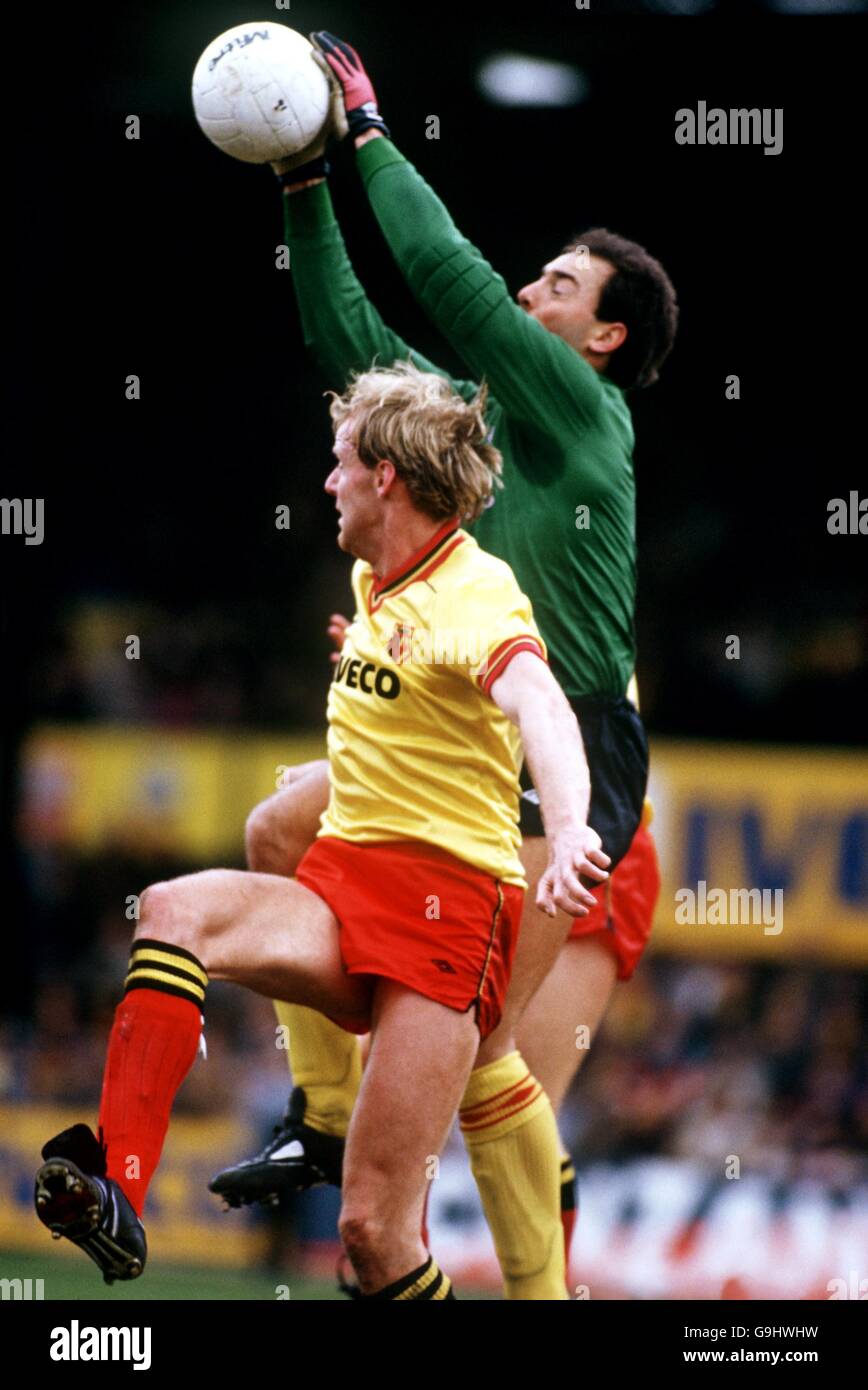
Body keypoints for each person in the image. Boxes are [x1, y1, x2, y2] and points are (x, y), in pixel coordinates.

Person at [210, 32, 677, 1298]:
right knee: (272, 834)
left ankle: (540, 1297)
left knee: (478, 1054)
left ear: (603, 339)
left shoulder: (585, 414)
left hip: (562, 746)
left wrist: (361, 132)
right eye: (538, 275)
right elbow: (353, 345)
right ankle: (318, 1114)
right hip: (464, 737)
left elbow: (447, 279)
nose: (529, 293)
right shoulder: (470, 433)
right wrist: (301, 185)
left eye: (559, 287)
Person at [33, 362, 608, 1301]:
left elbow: (539, 702)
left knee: (374, 1235)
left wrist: (574, 824)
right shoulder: (376, 579)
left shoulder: (479, 591)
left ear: (387, 476)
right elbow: (418, 695)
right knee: (176, 907)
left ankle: (343, 1139)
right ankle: (118, 1194)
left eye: (340, 463)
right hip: (346, 887)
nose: (328, 481)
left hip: (447, 915)